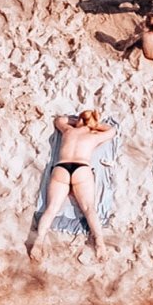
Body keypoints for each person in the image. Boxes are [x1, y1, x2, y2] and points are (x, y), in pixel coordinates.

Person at [30, 107, 115, 258]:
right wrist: (95, 125)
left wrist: (75, 121)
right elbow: (111, 131)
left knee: (51, 209)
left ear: (79, 120)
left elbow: (59, 120)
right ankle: (99, 243)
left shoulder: (68, 131)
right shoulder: (94, 136)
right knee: (89, 209)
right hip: (81, 169)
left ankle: (39, 240)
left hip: (61, 168)